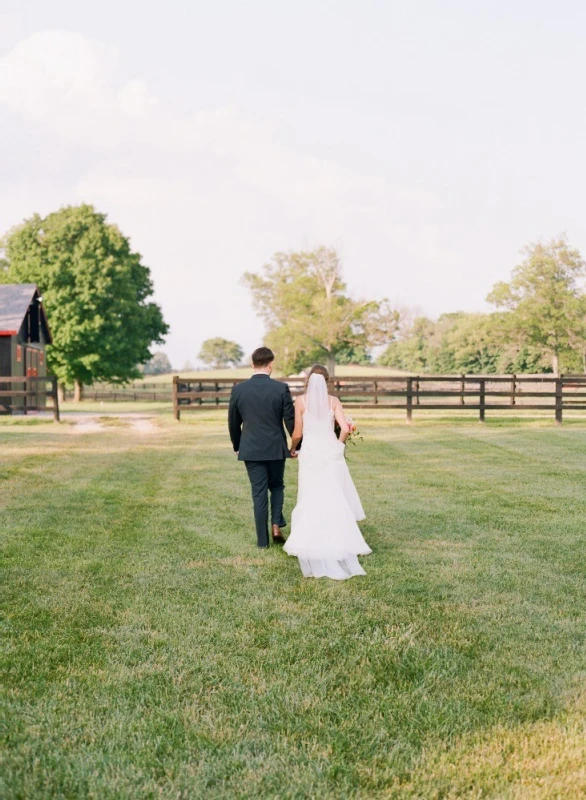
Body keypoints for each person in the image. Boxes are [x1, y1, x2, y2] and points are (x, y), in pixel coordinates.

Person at [284, 364, 371, 579]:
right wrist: (339, 445)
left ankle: (311, 538)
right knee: (334, 496)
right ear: (327, 381)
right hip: (331, 453)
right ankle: (339, 539)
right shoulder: (334, 401)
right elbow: (345, 427)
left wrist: (293, 447)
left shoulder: (301, 401)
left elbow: (297, 431)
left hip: (311, 453)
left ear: (309, 381)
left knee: (311, 495)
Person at [228, 347, 295, 548]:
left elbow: (233, 422)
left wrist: (237, 445)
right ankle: (276, 524)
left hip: (251, 448)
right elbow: (290, 420)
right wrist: (296, 445)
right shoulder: (281, 388)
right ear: (270, 364)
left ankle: (262, 541)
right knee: (277, 486)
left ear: (253, 364)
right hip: (275, 448)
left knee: (258, 492)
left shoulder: (239, 390)